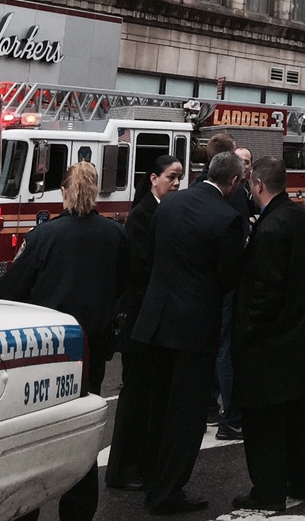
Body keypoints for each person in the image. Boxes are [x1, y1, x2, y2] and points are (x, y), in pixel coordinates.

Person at [0, 162, 128, 521]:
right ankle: (77, 511)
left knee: (37, 432)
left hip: (46, 350)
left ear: (63, 192)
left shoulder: (43, 236)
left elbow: (13, 290)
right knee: (83, 431)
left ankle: (28, 508)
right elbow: (125, 284)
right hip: (92, 348)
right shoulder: (114, 234)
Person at [133, 150, 246, 515]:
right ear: (234, 182)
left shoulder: (169, 205)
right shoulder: (227, 218)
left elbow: (151, 256)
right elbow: (229, 278)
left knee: (158, 408)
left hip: (156, 320)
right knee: (187, 415)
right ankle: (168, 492)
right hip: (194, 327)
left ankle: (151, 479)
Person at [231, 156, 305, 513]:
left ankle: (268, 490)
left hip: (270, 343)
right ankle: (300, 480)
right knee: (297, 418)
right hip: (301, 335)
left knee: (264, 423)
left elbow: (265, 291)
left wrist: (248, 330)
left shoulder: (269, 229)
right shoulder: (302, 219)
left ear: (257, 185)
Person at [106, 153, 184, 492]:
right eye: (171, 176)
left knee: (151, 395)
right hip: (140, 320)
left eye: (180, 177)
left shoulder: (165, 211)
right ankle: (123, 468)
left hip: (155, 319)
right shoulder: (143, 215)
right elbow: (141, 267)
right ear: (153, 178)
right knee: (136, 395)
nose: (177, 183)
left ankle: (142, 464)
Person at [215, 146, 257, 443]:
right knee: (225, 349)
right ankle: (230, 418)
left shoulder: (190, 199)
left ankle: (213, 407)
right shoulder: (234, 200)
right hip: (228, 286)